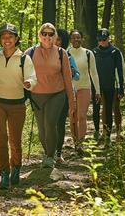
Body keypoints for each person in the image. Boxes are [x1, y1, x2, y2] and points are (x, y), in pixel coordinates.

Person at [0, 23, 37, 189]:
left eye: (10, 36)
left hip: (17, 104)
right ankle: (4, 173)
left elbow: (32, 77)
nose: (7, 40)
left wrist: (29, 83)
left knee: (15, 140)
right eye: (3, 37)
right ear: (0, 40)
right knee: (0, 137)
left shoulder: (24, 58)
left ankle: (16, 167)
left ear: (16, 39)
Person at [26, 23, 75, 168]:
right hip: (37, 95)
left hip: (57, 94)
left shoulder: (61, 53)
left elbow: (67, 78)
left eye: (51, 34)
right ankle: (48, 152)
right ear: (40, 35)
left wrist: (72, 103)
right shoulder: (30, 52)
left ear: (55, 37)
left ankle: (49, 157)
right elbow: (22, 73)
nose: (47, 37)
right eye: (44, 33)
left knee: (50, 123)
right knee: (41, 129)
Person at [67, 30, 101, 153]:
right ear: (70, 39)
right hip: (70, 89)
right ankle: (75, 142)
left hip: (84, 87)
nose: (76, 40)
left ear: (82, 39)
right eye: (73, 38)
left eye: (78, 37)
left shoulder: (88, 53)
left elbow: (94, 72)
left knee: (81, 116)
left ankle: (81, 143)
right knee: (72, 116)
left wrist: (97, 90)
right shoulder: (66, 53)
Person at [92, 28, 125, 146]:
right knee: (100, 109)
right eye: (100, 40)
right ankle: (100, 132)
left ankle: (108, 138)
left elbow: (120, 71)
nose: (102, 42)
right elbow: (92, 70)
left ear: (109, 38)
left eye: (104, 39)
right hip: (98, 86)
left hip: (111, 85)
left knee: (110, 109)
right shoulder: (94, 52)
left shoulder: (115, 52)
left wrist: (121, 88)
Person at [54, 28, 80, 163]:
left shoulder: (68, 57)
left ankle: (58, 153)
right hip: (48, 94)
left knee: (60, 123)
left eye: (59, 39)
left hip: (64, 93)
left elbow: (77, 76)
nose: (56, 42)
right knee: (49, 124)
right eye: (55, 39)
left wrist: (72, 71)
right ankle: (49, 152)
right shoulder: (45, 55)